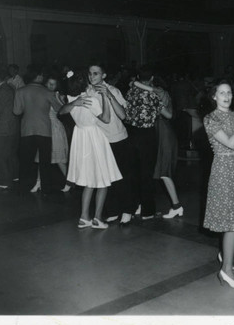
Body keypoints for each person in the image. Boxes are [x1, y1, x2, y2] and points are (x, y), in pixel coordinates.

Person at [203, 80, 234, 288]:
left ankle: (226, 253)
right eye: (221, 92)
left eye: (229, 92)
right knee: (230, 222)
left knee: (233, 219)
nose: (226, 96)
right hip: (223, 169)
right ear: (214, 96)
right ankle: (227, 270)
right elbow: (233, 143)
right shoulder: (210, 118)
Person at [63, 69, 122, 229]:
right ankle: (97, 218)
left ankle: (84, 217)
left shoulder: (71, 99)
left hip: (80, 137)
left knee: (89, 180)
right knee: (103, 181)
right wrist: (104, 97)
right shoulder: (91, 101)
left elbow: (62, 110)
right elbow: (106, 118)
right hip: (94, 138)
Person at [134, 77, 183, 219]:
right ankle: (144, 203)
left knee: (163, 171)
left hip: (164, 133)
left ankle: (177, 206)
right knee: (150, 170)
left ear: (151, 80)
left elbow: (168, 114)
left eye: (145, 81)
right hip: (156, 132)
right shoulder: (151, 92)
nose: (143, 85)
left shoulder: (160, 91)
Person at [13, 64, 62, 193]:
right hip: (44, 130)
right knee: (44, 162)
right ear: (39, 76)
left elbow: (17, 112)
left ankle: (23, 188)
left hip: (27, 130)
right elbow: (59, 110)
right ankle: (46, 189)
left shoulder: (20, 91)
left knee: (26, 162)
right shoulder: (48, 92)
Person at [124, 65, 165, 220]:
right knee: (147, 173)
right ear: (152, 78)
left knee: (135, 171)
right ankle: (148, 211)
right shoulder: (153, 95)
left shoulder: (131, 91)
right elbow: (167, 114)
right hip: (147, 135)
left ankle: (135, 206)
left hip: (132, 133)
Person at [31, 75, 70, 193]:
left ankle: (69, 182)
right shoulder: (40, 94)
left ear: (56, 86)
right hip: (43, 127)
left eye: (53, 84)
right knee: (41, 158)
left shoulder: (57, 95)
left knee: (59, 159)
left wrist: (59, 99)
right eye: (49, 83)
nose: (50, 86)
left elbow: (62, 111)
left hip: (54, 128)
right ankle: (38, 182)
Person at [0, 69, 20, 190]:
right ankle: (14, 176)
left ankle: (5, 181)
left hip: (3, 127)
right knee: (10, 154)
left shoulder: (2, 90)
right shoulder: (10, 87)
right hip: (12, 126)